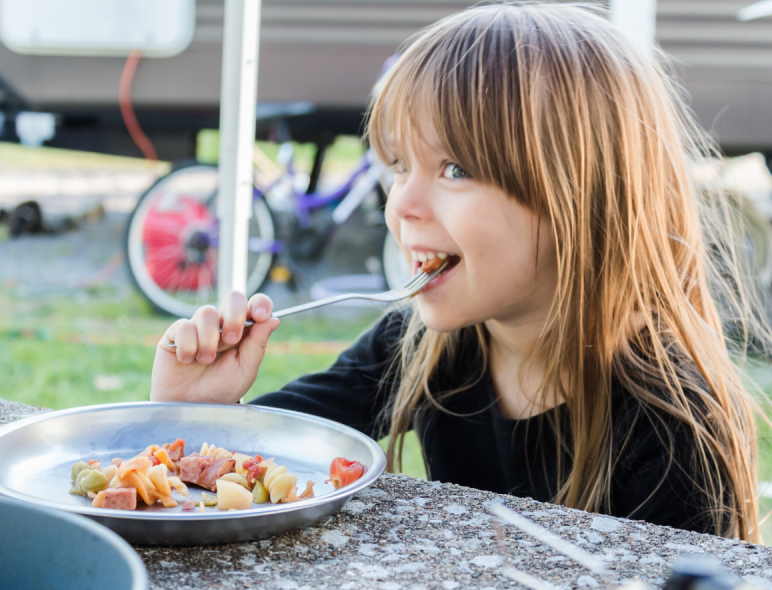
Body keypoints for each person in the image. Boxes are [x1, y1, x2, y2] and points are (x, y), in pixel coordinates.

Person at [149, 2, 769, 541]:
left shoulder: (677, 429)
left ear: (579, 198)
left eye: (454, 170)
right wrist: (193, 419)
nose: (402, 206)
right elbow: (265, 467)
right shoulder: (422, 346)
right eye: (397, 165)